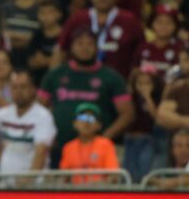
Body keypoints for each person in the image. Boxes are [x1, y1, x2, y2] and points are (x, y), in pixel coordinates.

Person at [39, 26, 134, 168]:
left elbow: (127, 114)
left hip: (98, 151)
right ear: (71, 48)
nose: (85, 48)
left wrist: (104, 137)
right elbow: (39, 109)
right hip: (58, 149)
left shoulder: (110, 77)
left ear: (97, 48)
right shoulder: (56, 75)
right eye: (80, 44)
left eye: (90, 44)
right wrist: (47, 136)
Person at [53, 0, 144, 79]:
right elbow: (60, 49)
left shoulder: (130, 20)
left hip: (118, 85)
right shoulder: (77, 18)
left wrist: (132, 84)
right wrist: (55, 81)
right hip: (79, 82)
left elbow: (141, 55)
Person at [0, 69, 56, 180]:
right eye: (14, 87)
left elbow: (41, 152)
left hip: (34, 186)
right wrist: (0, 156)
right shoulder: (4, 114)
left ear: (33, 89)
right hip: (7, 181)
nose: (18, 91)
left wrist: (28, 180)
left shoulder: (43, 116)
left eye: (23, 87)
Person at [60, 102, 119, 184]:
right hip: (74, 193)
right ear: (75, 124)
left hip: (99, 192)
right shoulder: (68, 147)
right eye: (82, 118)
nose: (87, 122)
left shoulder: (105, 144)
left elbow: (114, 176)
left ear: (99, 125)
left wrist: (96, 185)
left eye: (91, 118)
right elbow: (63, 178)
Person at [123, 67, 164, 183]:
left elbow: (157, 118)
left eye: (147, 83)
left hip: (147, 140)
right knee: (129, 174)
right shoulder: (131, 98)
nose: (143, 86)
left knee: (144, 173)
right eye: (140, 83)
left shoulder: (156, 99)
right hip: (130, 139)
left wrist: (147, 97)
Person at [0, 0, 41, 70]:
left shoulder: (43, 9)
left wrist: (14, 36)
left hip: (33, 62)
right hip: (7, 60)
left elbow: (40, 39)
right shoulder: (4, 8)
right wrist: (25, 38)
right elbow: (1, 35)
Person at [134, 4, 183, 81]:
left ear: (175, 26)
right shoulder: (143, 47)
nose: (163, 26)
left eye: (169, 22)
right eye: (159, 22)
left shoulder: (180, 48)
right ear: (152, 24)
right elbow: (135, 72)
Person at [26, 0, 63, 85]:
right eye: (42, 13)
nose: (46, 16)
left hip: (60, 81)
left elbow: (64, 64)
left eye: (50, 12)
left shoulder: (65, 35)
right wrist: (52, 60)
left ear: (59, 14)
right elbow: (32, 62)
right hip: (38, 81)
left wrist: (45, 60)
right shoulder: (36, 35)